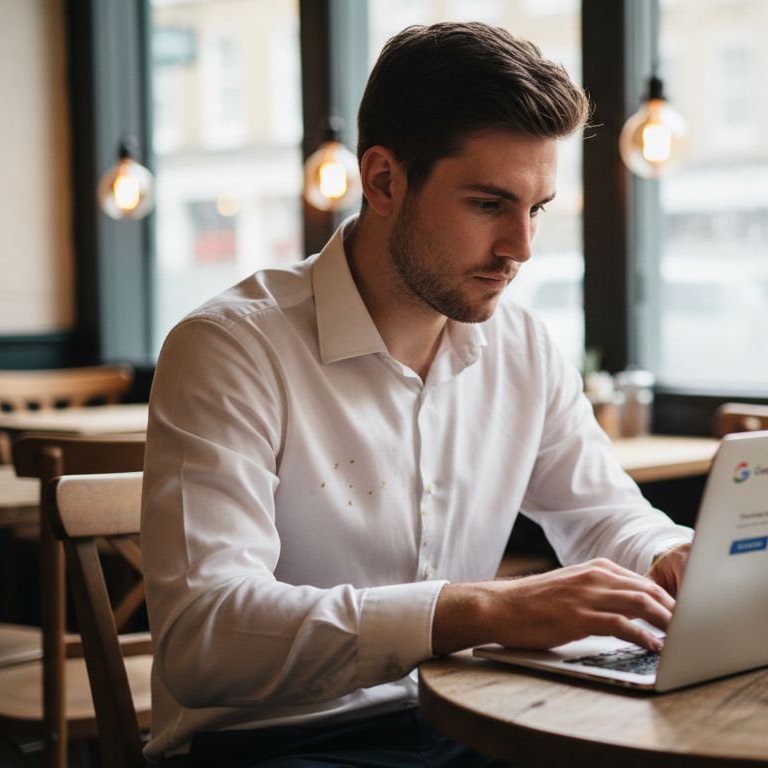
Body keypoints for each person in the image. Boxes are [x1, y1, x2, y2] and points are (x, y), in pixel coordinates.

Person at [141, 22, 693, 767]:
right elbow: (204, 635)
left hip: (466, 716)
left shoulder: (523, 347)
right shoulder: (231, 348)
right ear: (384, 181)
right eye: (489, 204)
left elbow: (602, 515)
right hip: (271, 741)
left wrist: (670, 556)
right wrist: (479, 609)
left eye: (535, 210)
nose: (521, 250)